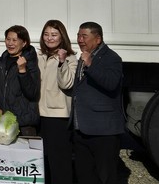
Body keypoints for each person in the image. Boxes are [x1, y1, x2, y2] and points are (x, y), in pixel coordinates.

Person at [72, 22, 124, 184]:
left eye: (84, 36)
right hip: (82, 129)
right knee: (85, 175)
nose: (80, 40)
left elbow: (111, 83)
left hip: (103, 131)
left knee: (106, 176)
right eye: (78, 36)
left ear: (98, 39)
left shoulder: (112, 58)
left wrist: (90, 64)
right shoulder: (86, 55)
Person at [37, 19, 77, 184]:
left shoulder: (70, 57)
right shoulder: (39, 56)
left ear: (62, 37)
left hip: (57, 116)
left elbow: (67, 83)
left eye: (54, 34)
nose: (49, 38)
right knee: (43, 160)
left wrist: (62, 62)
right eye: (46, 34)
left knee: (59, 161)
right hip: (39, 114)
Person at [0, 25, 40, 135]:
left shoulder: (30, 62)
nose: (10, 43)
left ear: (24, 43)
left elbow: (33, 93)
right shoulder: (1, 62)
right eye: (8, 39)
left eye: (14, 40)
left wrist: (22, 70)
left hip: (24, 124)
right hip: (3, 122)